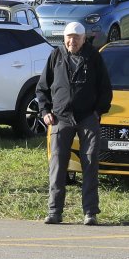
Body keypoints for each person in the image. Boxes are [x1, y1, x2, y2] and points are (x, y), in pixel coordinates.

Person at [36, 20, 112, 224]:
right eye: (69, 38)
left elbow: (105, 88)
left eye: (76, 38)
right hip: (60, 118)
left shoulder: (93, 56)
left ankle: (90, 212)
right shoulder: (56, 55)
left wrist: (97, 112)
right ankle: (54, 211)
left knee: (90, 163)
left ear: (84, 39)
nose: (72, 41)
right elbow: (42, 87)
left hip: (88, 118)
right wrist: (45, 111)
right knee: (57, 164)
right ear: (64, 38)